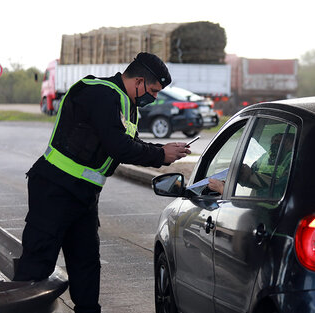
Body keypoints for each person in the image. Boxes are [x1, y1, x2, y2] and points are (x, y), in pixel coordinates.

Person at [13, 52, 191, 313]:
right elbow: (118, 146)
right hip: (55, 188)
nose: (153, 97)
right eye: (152, 91)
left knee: (86, 265)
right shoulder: (100, 93)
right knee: (37, 266)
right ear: (139, 81)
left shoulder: (128, 106)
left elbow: (131, 143)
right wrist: (161, 155)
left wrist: (162, 149)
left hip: (84, 196)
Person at [208, 133, 294, 197]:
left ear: (290, 144)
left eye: (279, 142)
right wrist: (245, 177)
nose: (274, 144)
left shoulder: (292, 161)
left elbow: (278, 192)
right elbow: (253, 175)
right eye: (273, 142)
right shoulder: (264, 157)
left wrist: (224, 190)